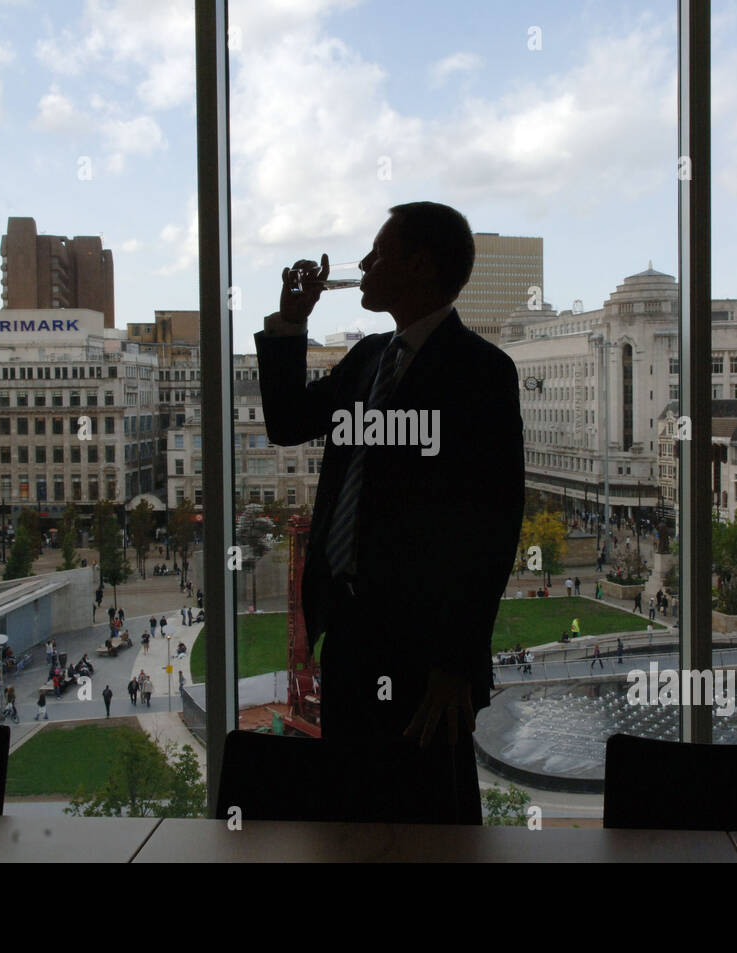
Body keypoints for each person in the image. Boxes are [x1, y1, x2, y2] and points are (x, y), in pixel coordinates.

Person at [254, 202, 523, 824]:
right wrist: (290, 324)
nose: (365, 265)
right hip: (349, 627)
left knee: (431, 813)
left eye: (378, 253)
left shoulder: (482, 372)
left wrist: (455, 664)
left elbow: (494, 524)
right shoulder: (368, 358)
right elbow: (289, 421)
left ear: (419, 264)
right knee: (351, 807)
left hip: (427, 649)